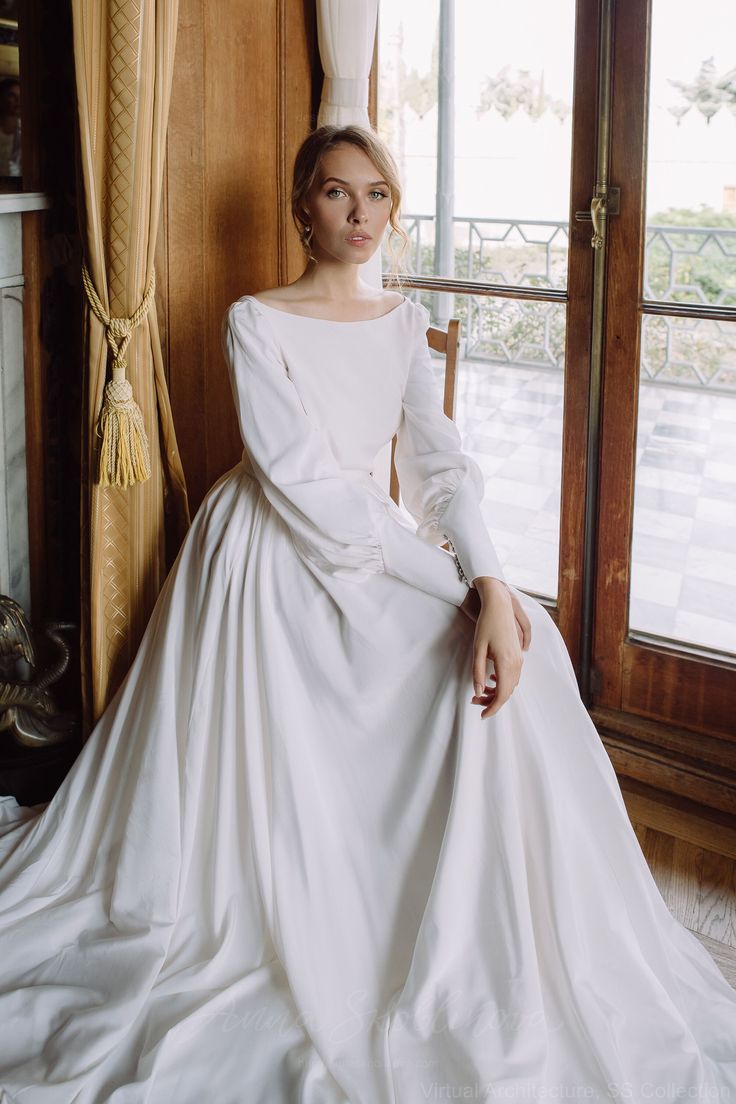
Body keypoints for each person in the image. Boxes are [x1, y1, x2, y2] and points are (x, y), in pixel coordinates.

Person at [0, 123, 734, 1103]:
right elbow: (300, 477)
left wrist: (487, 579)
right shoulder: (253, 318)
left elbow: (437, 466)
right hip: (273, 549)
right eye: (337, 194)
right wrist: (428, 580)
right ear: (301, 206)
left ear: (394, 206)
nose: (359, 214)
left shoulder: (400, 319)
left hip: (373, 537)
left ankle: (500, 927)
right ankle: (381, 915)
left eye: (376, 194)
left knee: (527, 643)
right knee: (445, 659)